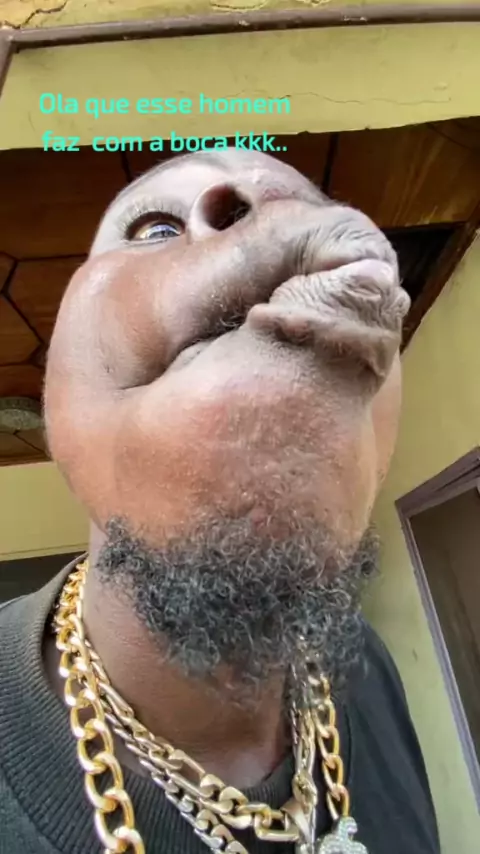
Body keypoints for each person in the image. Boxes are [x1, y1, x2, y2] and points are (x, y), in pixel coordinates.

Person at [0, 149, 440, 854]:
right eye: (154, 228)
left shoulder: (368, 667)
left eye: (305, 210)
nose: (248, 204)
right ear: (55, 392)